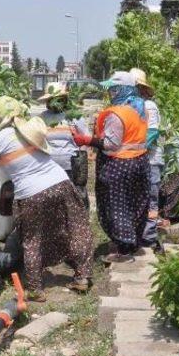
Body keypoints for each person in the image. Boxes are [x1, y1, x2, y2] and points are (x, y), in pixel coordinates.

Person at [0, 97, 93, 301]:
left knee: (32, 240)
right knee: (76, 229)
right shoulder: (28, 129)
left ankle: (36, 290)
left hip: (32, 193)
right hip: (61, 183)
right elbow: (13, 145)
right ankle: (82, 277)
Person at [72, 71, 149, 263]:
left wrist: (87, 140)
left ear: (122, 89)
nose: (111, 93)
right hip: (139, 161)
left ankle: (123, 250)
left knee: (117, 205)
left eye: (114, 89)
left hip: (119, 164)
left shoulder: (117, 114)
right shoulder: (139, 109)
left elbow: (111, 144)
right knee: (135, 204)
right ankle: (133, 243)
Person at [37, 82, 90, 207]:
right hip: (49, 167)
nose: (55, 103)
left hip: (72, 167)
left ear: (64, 99)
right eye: (52, 100)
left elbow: (86, 138)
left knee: (75, 202)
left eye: (58, 99)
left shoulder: (74, 116)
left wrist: (81, 158)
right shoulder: (42, 118)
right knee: (53, 203)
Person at [130, 67, 163, 251]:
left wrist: (137, 151)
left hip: (150, 161)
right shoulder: (134, 106)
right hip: (140, 160)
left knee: (150, 198)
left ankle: (148, 238)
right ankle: (139, 235)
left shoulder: (149, 106)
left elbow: (152, 133)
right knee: (139, 198)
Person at [159, 135, 179, 224]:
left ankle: (171, 220)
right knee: (162, 191)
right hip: (167, 161)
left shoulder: (155, 126)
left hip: (177, 162)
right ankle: (163, 218)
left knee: (172, 192)